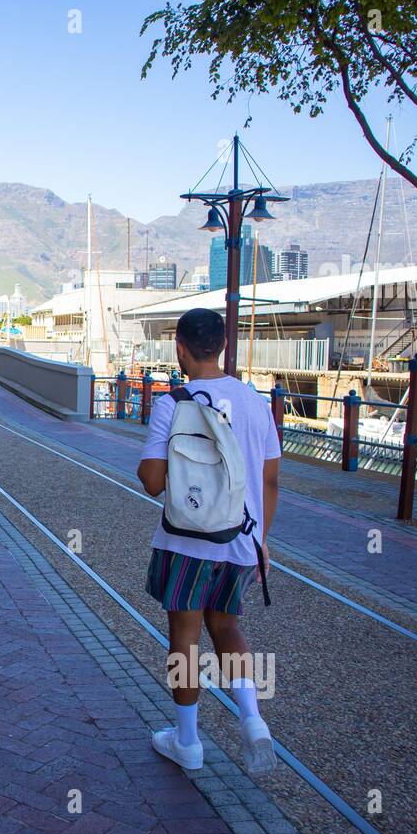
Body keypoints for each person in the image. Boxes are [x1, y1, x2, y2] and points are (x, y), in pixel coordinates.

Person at [136, 308, 280, 774]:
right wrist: (262, 541)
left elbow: (152, 482)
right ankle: (253, 719)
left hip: (186, 543)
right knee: (228, 628)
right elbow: (271, 480)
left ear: (179, 347)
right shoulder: (256, 402)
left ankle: (188, 741)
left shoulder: (172, 402)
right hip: (240, 540)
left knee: (185, 636)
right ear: (221, 346)